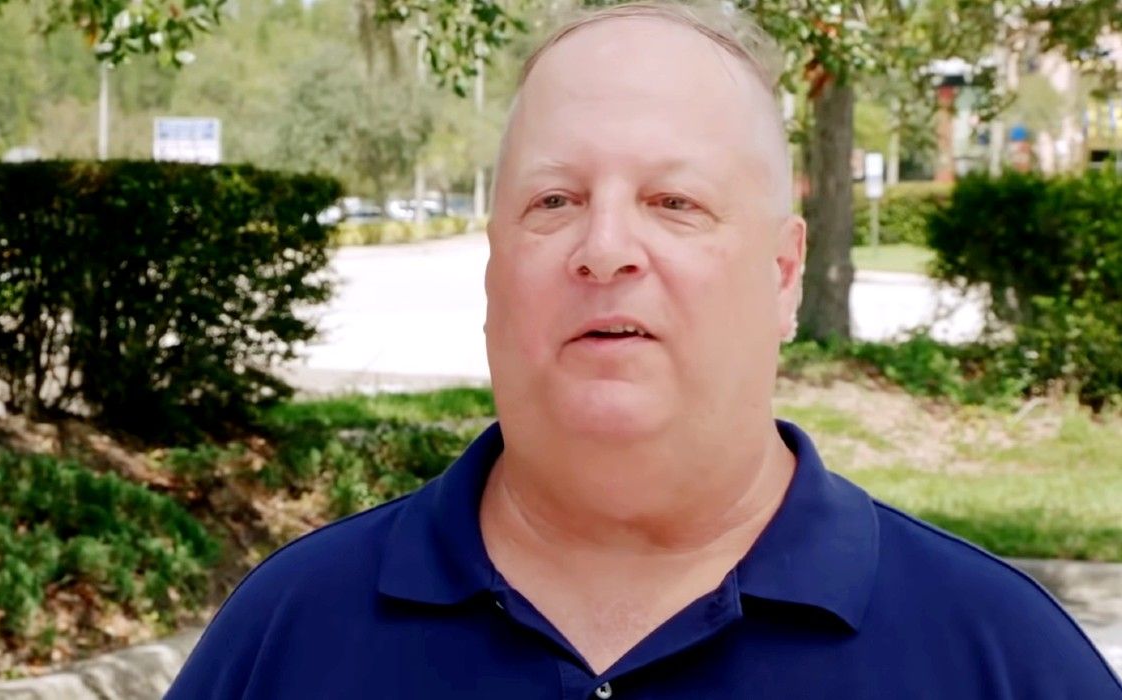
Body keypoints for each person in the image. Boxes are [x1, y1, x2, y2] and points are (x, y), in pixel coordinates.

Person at [165, 2, 1122, 697]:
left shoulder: (998, 662)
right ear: (495, 269)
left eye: (675, 202)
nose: (608, 249)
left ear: (784, 273)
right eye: (554, 201)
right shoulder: (287, 638)